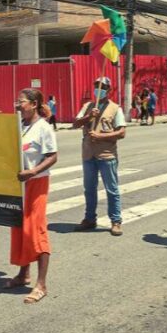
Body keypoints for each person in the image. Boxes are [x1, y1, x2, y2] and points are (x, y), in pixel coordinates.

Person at [2, 88, 58, 304]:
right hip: (19, 185)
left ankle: (41, 284)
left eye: (22, 101)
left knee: (36, 229)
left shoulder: (43, 127)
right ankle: (23, 274)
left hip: (36, 183)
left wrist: (33, 171)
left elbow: (53, 156)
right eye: (17, 101)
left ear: (34, 104)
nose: (18, 105)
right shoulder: (19, 125)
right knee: (19, 227)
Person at [72, 76, 127, 236]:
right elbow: (75, 124)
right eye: (97, 86)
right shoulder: (88, 106)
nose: (99, 89)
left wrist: (101, 136)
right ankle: (90, 218)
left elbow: (122, 132)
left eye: (103, 87)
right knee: (89, 189)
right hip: (88, 154)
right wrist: (89, 116)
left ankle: (116, 221)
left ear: (109, 90)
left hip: (107, 155)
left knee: (112, 189)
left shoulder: (116, 108)